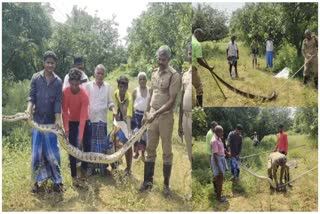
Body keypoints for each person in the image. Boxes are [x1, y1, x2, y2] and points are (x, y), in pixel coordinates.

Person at [139, 45, 181, 197]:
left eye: (163, 59)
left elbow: (171, 100)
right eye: (159, 59)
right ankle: (147, 182)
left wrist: (155, 113)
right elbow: (151, 94)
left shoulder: (174, 75)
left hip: (165, 118)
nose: (160, 62)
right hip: (152, 116)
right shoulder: (154, 73)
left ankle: (166, 186)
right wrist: (146, 111)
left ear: (169, 59)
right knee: (150, 149)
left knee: (166, 151)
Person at [26, 51, 63, 193]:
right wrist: (28, 110)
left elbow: (58, 102)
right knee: (36, 154)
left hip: (51, 124)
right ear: (44, 63)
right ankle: (35, 182)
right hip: (37, 122)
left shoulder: (58, 81)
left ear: (55, 64)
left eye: (52, 63)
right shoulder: (36, 78)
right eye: (47, 62)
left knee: (54, 153)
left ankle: (57, 182)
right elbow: (31, 97)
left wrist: (58, 119)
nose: (50, 65)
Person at [85, 64, 117, 176]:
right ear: (94, 74)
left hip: (102, 120)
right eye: (98, 73)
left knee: (101, 144)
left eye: (102, 73)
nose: (100, 75)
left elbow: (110, 102)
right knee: (91, 144)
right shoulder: (88, 86)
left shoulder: (108, 87)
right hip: (91, 119)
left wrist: (114, 110)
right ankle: (90, 167)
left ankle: (102, 168)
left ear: (104, 75)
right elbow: (84, 102)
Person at [62, 68, 91, 186]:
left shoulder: (84, 95)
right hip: (72, 120)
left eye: (76, 84)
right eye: (72, 84)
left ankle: (84, 172)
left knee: (87, 145)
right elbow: (64, 111)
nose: (74, 87)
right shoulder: (65, 92)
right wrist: (67, 129)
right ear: (69, 82)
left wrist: (81, 136)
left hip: (84, 120)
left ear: (80, 83)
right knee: (72, 149)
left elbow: (83, 116)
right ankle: (74, 176)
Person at [109, 75, 133, 174]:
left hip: (127, 122)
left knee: (128, 144)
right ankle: (115, 165)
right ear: (118, 86)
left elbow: (128, 115)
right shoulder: (115, 94)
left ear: (127, 87)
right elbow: (114, 110)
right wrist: (116, 122)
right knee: (115, 142)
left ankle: (128, 168)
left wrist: (129, 131)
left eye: (124, 87)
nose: (122, 89)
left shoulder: (129, 98)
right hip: (117, 120)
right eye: (120, 86)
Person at [192, 28, 214, 107]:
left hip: (185, 68)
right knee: (199, 88)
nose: (201, 38)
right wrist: (209, 67)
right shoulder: (197, 44)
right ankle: (199, 108)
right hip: (192, 69)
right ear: (197, 33)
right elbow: (199, 60)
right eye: (200, 36)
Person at [178, 43, 193, 163]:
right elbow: (181, 98)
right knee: (188, 148)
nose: (191, 56)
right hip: (185, 117)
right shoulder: (185, 75)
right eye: (189, 54)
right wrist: (179, 123)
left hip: (194, 117)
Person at [132, 72, 150, 161]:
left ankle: (143, 153)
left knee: (144, 135)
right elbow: (132, 104)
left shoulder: (150, 90)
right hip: (137, 115)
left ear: (146, 80)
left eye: (144, 78)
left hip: (146, 116)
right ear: (138, 81)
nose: (142, 80)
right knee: (136, 134)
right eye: (140, 79)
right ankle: (135, 152)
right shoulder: (136, 90)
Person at [211, 125, 228, 202]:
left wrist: (227, 153)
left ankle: (219, 195)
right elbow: (215, 155)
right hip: (217, 160)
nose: (223, 133)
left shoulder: (219, 138)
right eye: (222, 132)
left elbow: (221, 149)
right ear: (217, 132)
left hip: (221, 158)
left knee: (220, 179)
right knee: (219, 179)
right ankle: (219, 197)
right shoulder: (214, 141)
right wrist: (220, 168)